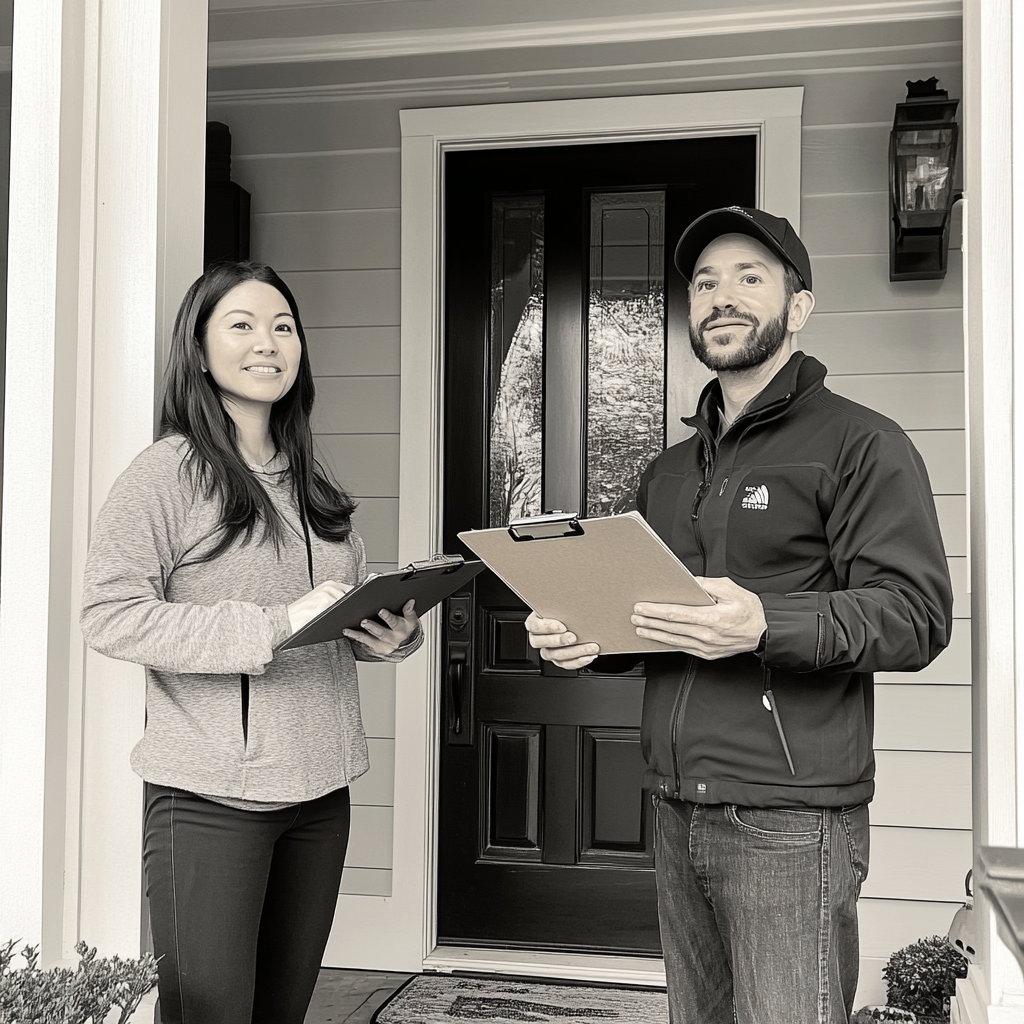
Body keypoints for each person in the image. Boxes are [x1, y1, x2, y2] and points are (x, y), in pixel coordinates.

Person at [525, 207, 952, 1024]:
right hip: (676, 804)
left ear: (799, 307)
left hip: (789, 819)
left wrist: (765, 624)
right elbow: (655, 619)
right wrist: (586, 642)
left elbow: (915, 616)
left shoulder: (862, 445)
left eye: (749, 278)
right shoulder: (670, 469)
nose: (722, 297)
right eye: (705, 282)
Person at [80, 260, 422, 1024]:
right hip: (210, 801)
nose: (268, 343)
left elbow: (331, 618)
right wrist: (273, 624)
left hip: (321, 793)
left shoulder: (308, 477)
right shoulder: (167, 473)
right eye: (242, 325)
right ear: (199, 352)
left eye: (283, 326)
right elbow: (109, 614)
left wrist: (388, 635)